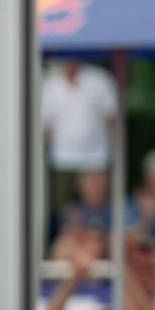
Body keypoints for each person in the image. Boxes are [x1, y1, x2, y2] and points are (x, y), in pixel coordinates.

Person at [41, 58, 118, 218]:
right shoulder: (50, 84)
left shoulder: (99, 79)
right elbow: (45, 124)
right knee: (64, 209)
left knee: (99, 205)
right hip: (62, 159)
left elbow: (112, 118)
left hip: (95, 157)